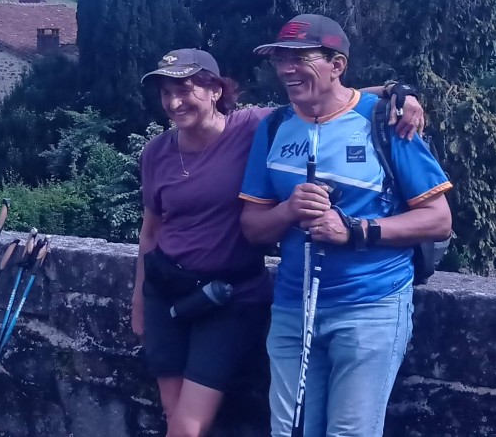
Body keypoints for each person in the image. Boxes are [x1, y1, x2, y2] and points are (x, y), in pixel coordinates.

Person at [133, 49, 427, 437]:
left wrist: (396, 93)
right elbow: (150, 231)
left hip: (227, 294)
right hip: (165, 289)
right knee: (173, 413)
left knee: (188, 427)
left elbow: (326, 95)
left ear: (215, 91)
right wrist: (139, 302)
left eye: (185, 90)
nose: (174, 103)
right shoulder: (156, 152)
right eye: (166, 93)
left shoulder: (253, 126)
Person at [238, 16, 454, 437]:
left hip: (370, 305)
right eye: (280, 59)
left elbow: (439, 220)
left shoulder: (387, 121)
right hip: (293, 308)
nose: (286, 69)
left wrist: (356, 230)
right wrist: (288, 211)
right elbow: (252, 228)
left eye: (300, 58)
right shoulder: (274, 126)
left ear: (337, 65)